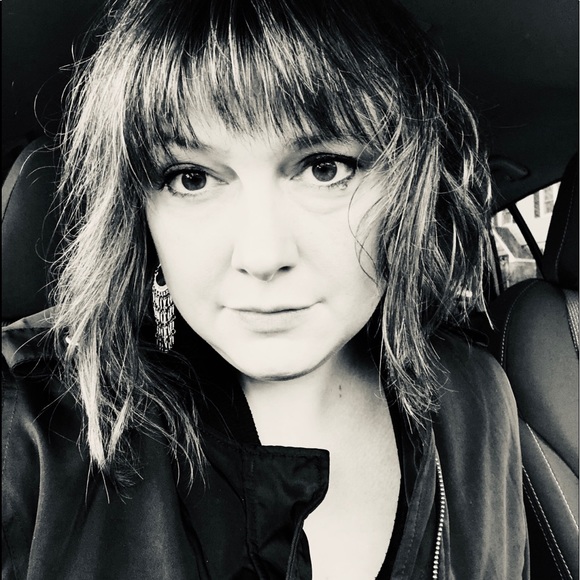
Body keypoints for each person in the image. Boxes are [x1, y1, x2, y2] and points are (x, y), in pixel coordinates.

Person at [2, 0, 529, 578]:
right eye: (191, 179)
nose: (261, 256)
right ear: (139, 213)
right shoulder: (28, 430)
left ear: (409, 191)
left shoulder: (475, 400)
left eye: (325, 168)